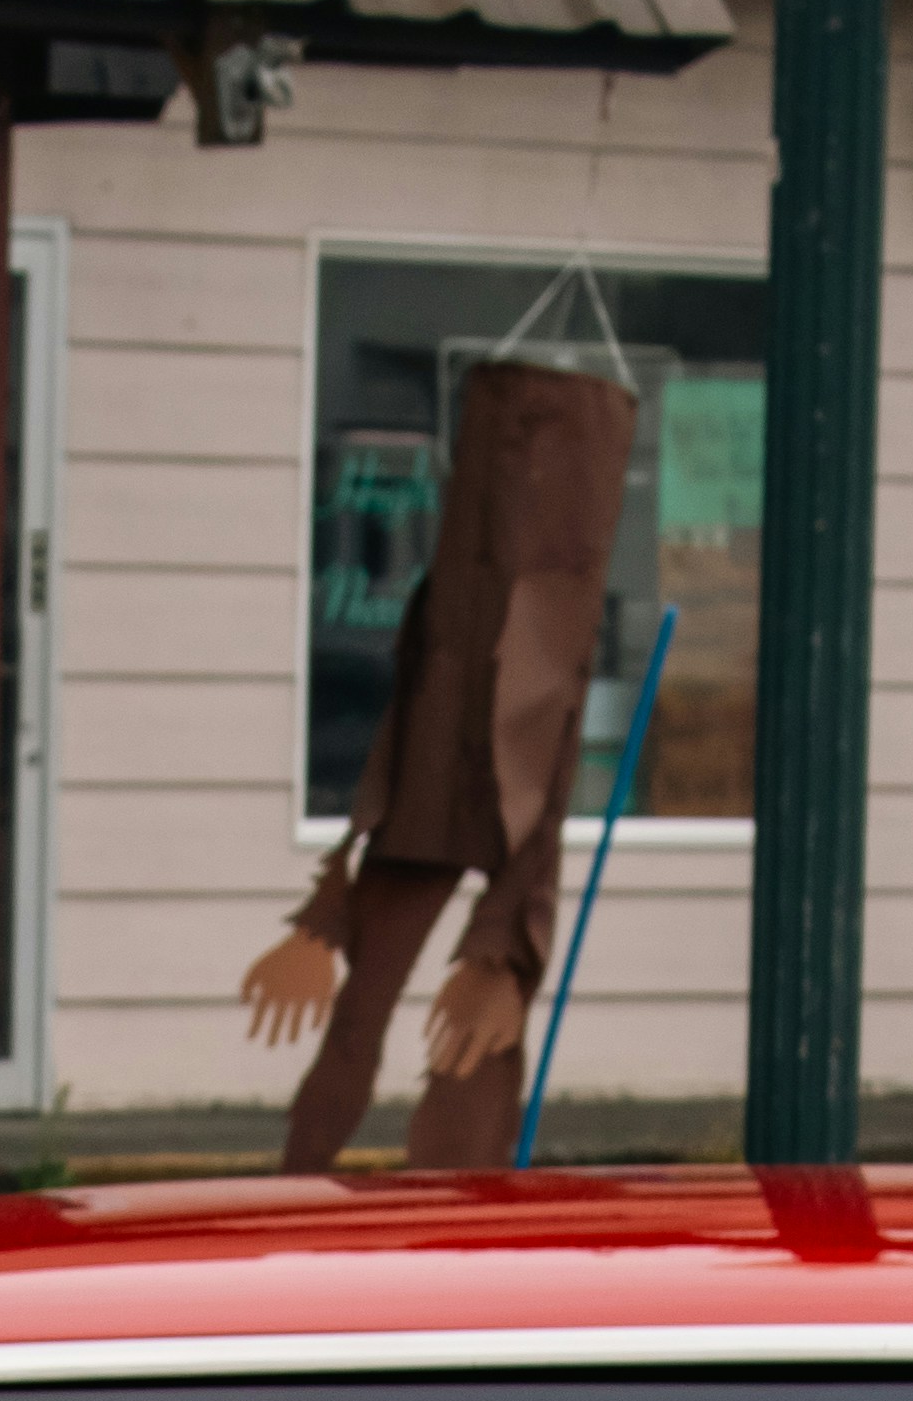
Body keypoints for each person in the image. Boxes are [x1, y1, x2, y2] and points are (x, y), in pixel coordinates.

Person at [242, 356, 634, 1176]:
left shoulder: (554, 611)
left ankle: (457, 1209)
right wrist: (332, 897)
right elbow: (406, 723)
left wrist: (505, 941)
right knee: (363, 1019)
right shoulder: (453, 597)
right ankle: (309, 1184)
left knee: (473, 1047)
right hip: (424, 808)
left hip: (473, 820)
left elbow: (546, 783)